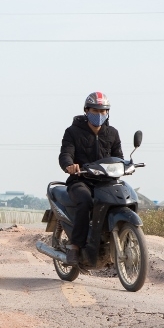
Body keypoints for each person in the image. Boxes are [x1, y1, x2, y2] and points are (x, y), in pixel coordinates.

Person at [58, 91, 124, 265]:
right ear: (87, 110)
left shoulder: (112, 133)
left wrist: (127, 165)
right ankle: (75, 247)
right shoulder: (73, 132)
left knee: (123, 197)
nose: (100, 115)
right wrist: (69, 165)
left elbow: (119, 157)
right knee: (85, 201)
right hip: (81, 180)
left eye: (103, 111)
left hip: (106, 181)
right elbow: (65, 154)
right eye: (95, 111)